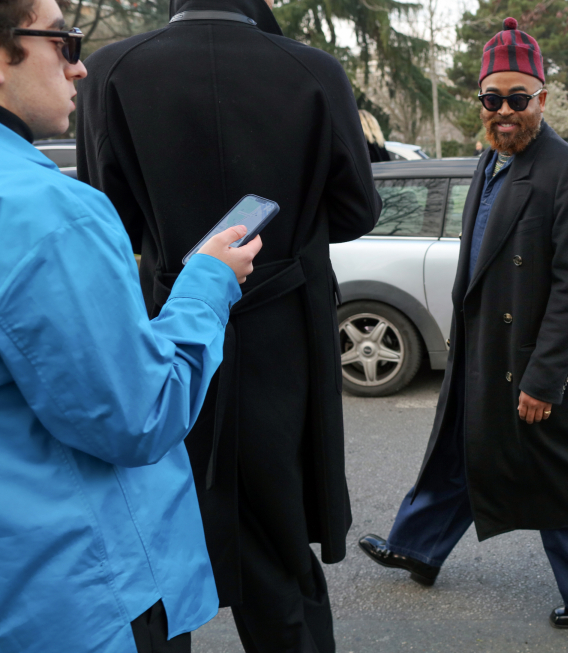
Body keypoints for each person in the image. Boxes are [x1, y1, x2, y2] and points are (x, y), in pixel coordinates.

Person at [76, 0, 381, 650]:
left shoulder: (110, 69)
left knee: (155, 532)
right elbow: (358, 207)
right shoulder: (314, 70)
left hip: (167, 325)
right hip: (285, 338)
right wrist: (288, 228)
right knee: (278, 543)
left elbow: (110, 221)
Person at [358, 16, 568, 630]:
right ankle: (419, 545)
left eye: (517, 98)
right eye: (492, 98)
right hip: (482, 347)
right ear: (480, 102)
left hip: (534, 356)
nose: (504, 110)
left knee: (563, 470)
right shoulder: (489, 163)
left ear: (542, 98)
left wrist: (544, 378)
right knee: (460, 449)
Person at [0, 0, 262, 650]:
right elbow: (138, 412)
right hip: (80, 593)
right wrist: (208, 282)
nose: (81, 67)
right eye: (65, 41)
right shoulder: (50, 214)